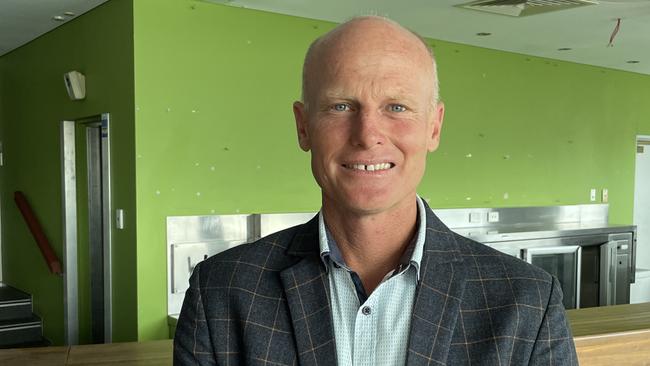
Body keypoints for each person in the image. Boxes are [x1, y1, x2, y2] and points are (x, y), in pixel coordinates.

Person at [174, 16, 578, 365]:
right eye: (340, 106)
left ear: (433, 127)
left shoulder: (527, 301)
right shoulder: (222, 291)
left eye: (397, 107)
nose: (368, 135)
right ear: (303, 126)